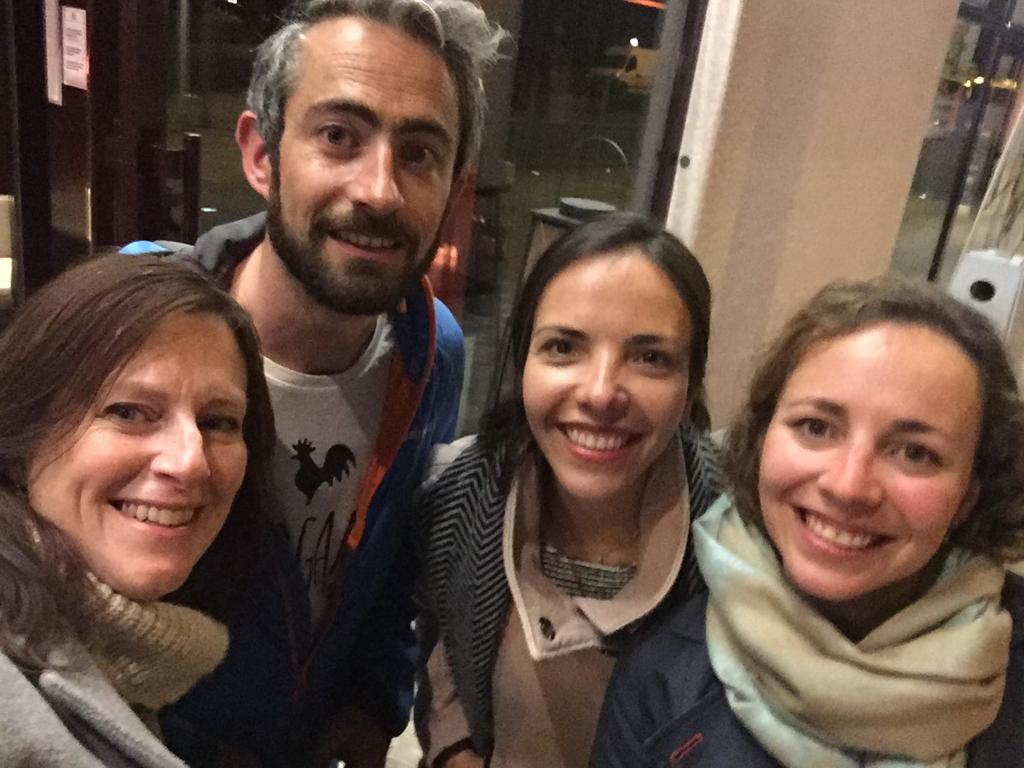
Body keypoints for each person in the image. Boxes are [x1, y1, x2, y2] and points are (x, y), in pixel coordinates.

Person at [122, 1, 508, 765]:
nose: (380, 190)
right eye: (338, 136)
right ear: (261, 154)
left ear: (453, 189)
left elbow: (393, 562)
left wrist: (373, 700)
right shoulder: (133, 315)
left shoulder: (432, 352)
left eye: (419, 154)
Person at [592, 276, 1024, 767]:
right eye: (816, 427)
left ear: (971, 493)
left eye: (914, 452)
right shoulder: (660, 681)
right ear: (761, 441)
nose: (848, 486)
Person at [414, 213, 724, 768]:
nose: (601, 393)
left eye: (650, 358)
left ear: (691, 380)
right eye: (564, 347)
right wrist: (453, 747)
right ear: (523, 362)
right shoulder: (463, 494)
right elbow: (444, 640)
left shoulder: (740, 532)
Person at [0, 255, 274, 767]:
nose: (190, 462)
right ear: (22, 434)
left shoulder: (142, 673)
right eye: (127, 412)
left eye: (218, 422)